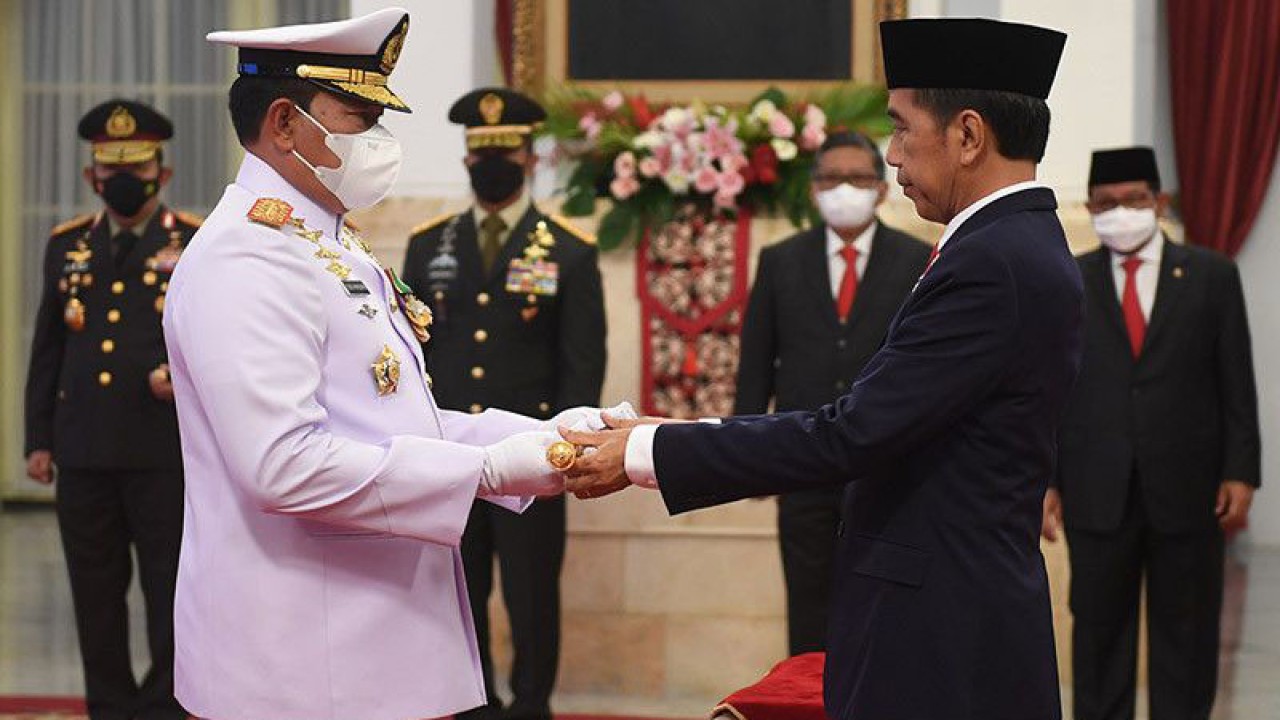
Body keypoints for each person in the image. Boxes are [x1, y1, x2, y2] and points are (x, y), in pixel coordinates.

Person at [562, 18, 1080, 720]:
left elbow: (852, 432)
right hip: (946, 608)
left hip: (943, 632)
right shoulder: (1008, 244)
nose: (892, 155)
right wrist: (673, 431)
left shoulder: (994, 261)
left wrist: (648, 452)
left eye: (901, 128)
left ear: (966, 135)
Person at [165, 10, 620, 720]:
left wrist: (540, 434)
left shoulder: (325, 241)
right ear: (283, 123)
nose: (378, 141)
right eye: (361, 118)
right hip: (303, 659)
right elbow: (282, 464)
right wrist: (484, 471)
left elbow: (387, 419)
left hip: (362, 643)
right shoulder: (247, 257)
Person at [401, 86, 606, 720]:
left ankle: (532, 706)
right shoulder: (429, 244)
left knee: (531, 594)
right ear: (467, 159)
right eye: (481, 154)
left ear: (529, 159)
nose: (492, 166)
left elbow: (581, 364)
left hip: (533, 458)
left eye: (506, 154)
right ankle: (473, 706)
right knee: (458, 591)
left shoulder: (569, 250)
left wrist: (568, 454)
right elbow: (413, 355)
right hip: (450, 457)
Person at [1044, 147, 1260, 720]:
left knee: (1186, 634)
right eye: (1106, 203)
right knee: (1098, 634)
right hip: (1095, 488)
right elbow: (1050, 389)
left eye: (1133, 200)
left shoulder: (1211, 275)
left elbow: (1236, 380)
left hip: (1189, 486)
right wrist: (1048, 478)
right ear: (1090, 208)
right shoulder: (1070, 279)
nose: (1121, 212)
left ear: (1159, 202)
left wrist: (1241, 471)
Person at [24, 99, 198, 720]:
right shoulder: (67, 245)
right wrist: (38, 439)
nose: (124, 179)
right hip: (85, 448)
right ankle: (110, 705)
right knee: (94, 593)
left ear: (162, 173)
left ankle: (163, 705)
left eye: (138, 167)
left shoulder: (194, 243)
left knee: (168, 587)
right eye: (111, 168)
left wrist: (182, 377)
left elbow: (215, 342)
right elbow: (48, 346)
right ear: (91, 176)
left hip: (163, 450)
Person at [733, 130, 929, 656]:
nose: (844, 189)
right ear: (814, 189)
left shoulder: (917, 259)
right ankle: (809, 696)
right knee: (809, 606)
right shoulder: (781, 260)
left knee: (884, 606)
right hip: (803, 463)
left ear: (882, 188)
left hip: (887, 465)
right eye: (831, 178)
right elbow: (756, 361)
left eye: (858, 178)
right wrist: (747, 454)